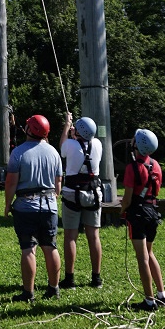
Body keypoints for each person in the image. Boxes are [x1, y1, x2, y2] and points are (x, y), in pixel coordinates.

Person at [4, 114, 63, 302]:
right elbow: (58, 184)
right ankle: (54, 288)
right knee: (50, 246)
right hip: (49, 206)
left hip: (26, 207)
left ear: (30, 130)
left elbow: (11, 183)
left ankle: (28, 293)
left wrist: (7, 205)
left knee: (28, 248)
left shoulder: (19, 153)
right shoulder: (54, 152)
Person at [119, 128, 165, 311]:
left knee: (142, 259)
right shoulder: (156, 165)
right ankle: (162, 295)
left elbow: (127, 199)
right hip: (152, 212)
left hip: (138, 214)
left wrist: (122, 211)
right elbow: (156, 190)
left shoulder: (132, 168)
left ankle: (149, 301)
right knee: (150, 253)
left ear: (138, 145)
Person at [59, 111, 104, 289]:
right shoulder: (98, 144)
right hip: (93, 193)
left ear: (79, 131)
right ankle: (96, 278)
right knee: (94, 236)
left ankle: (69, 279)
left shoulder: (69, 144)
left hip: (72, 193)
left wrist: (66, 126)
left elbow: (62, 149)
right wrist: (75, 134)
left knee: (71, 236)